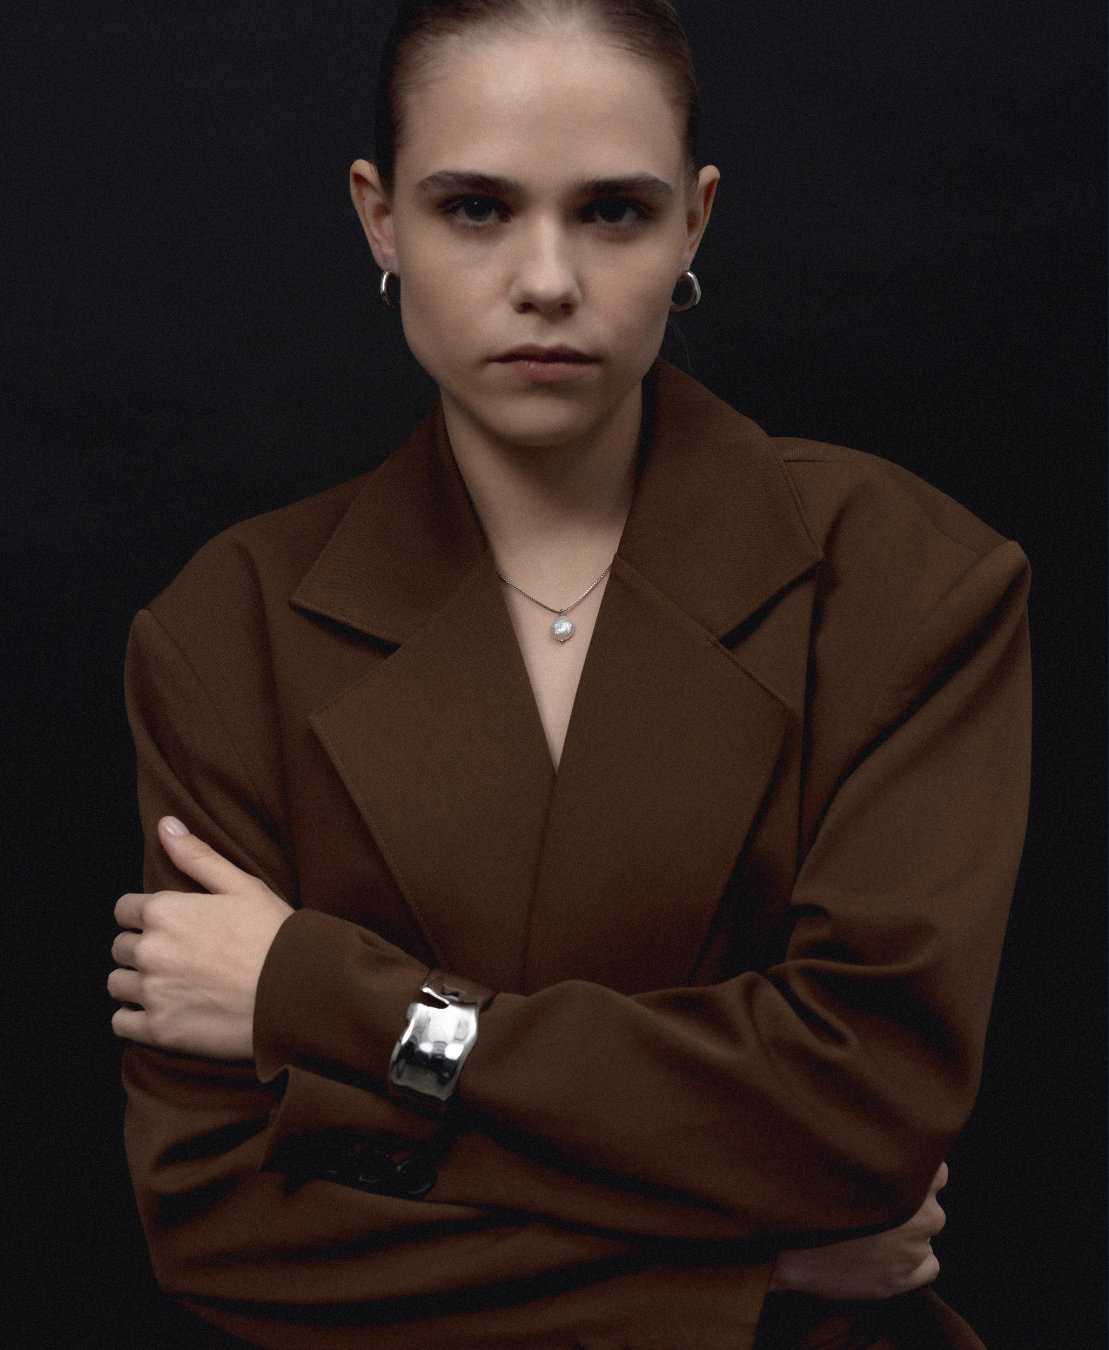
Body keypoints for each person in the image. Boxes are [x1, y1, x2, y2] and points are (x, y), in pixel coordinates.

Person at [108, 3, 1030, 1347]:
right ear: (379, 219)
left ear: (694, 223)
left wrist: (334, 1002)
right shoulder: (224, 629)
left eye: (612, 212)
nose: (547, 279)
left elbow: (864, 1122)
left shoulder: (907, 578)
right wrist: (753, 1270)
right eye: (476, 208)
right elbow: (222, 1215)